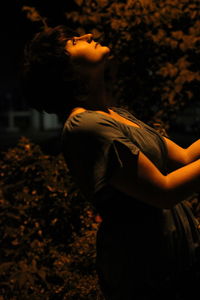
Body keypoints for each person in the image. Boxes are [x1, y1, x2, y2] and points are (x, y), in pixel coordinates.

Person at [22, 25, 200, 300]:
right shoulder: (85, 125)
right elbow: (163, 192)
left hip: (176, 262)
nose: (87, 35)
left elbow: (186, 158)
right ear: (67, 72)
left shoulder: (116, 115)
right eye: (73, 41)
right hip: (146, 271)